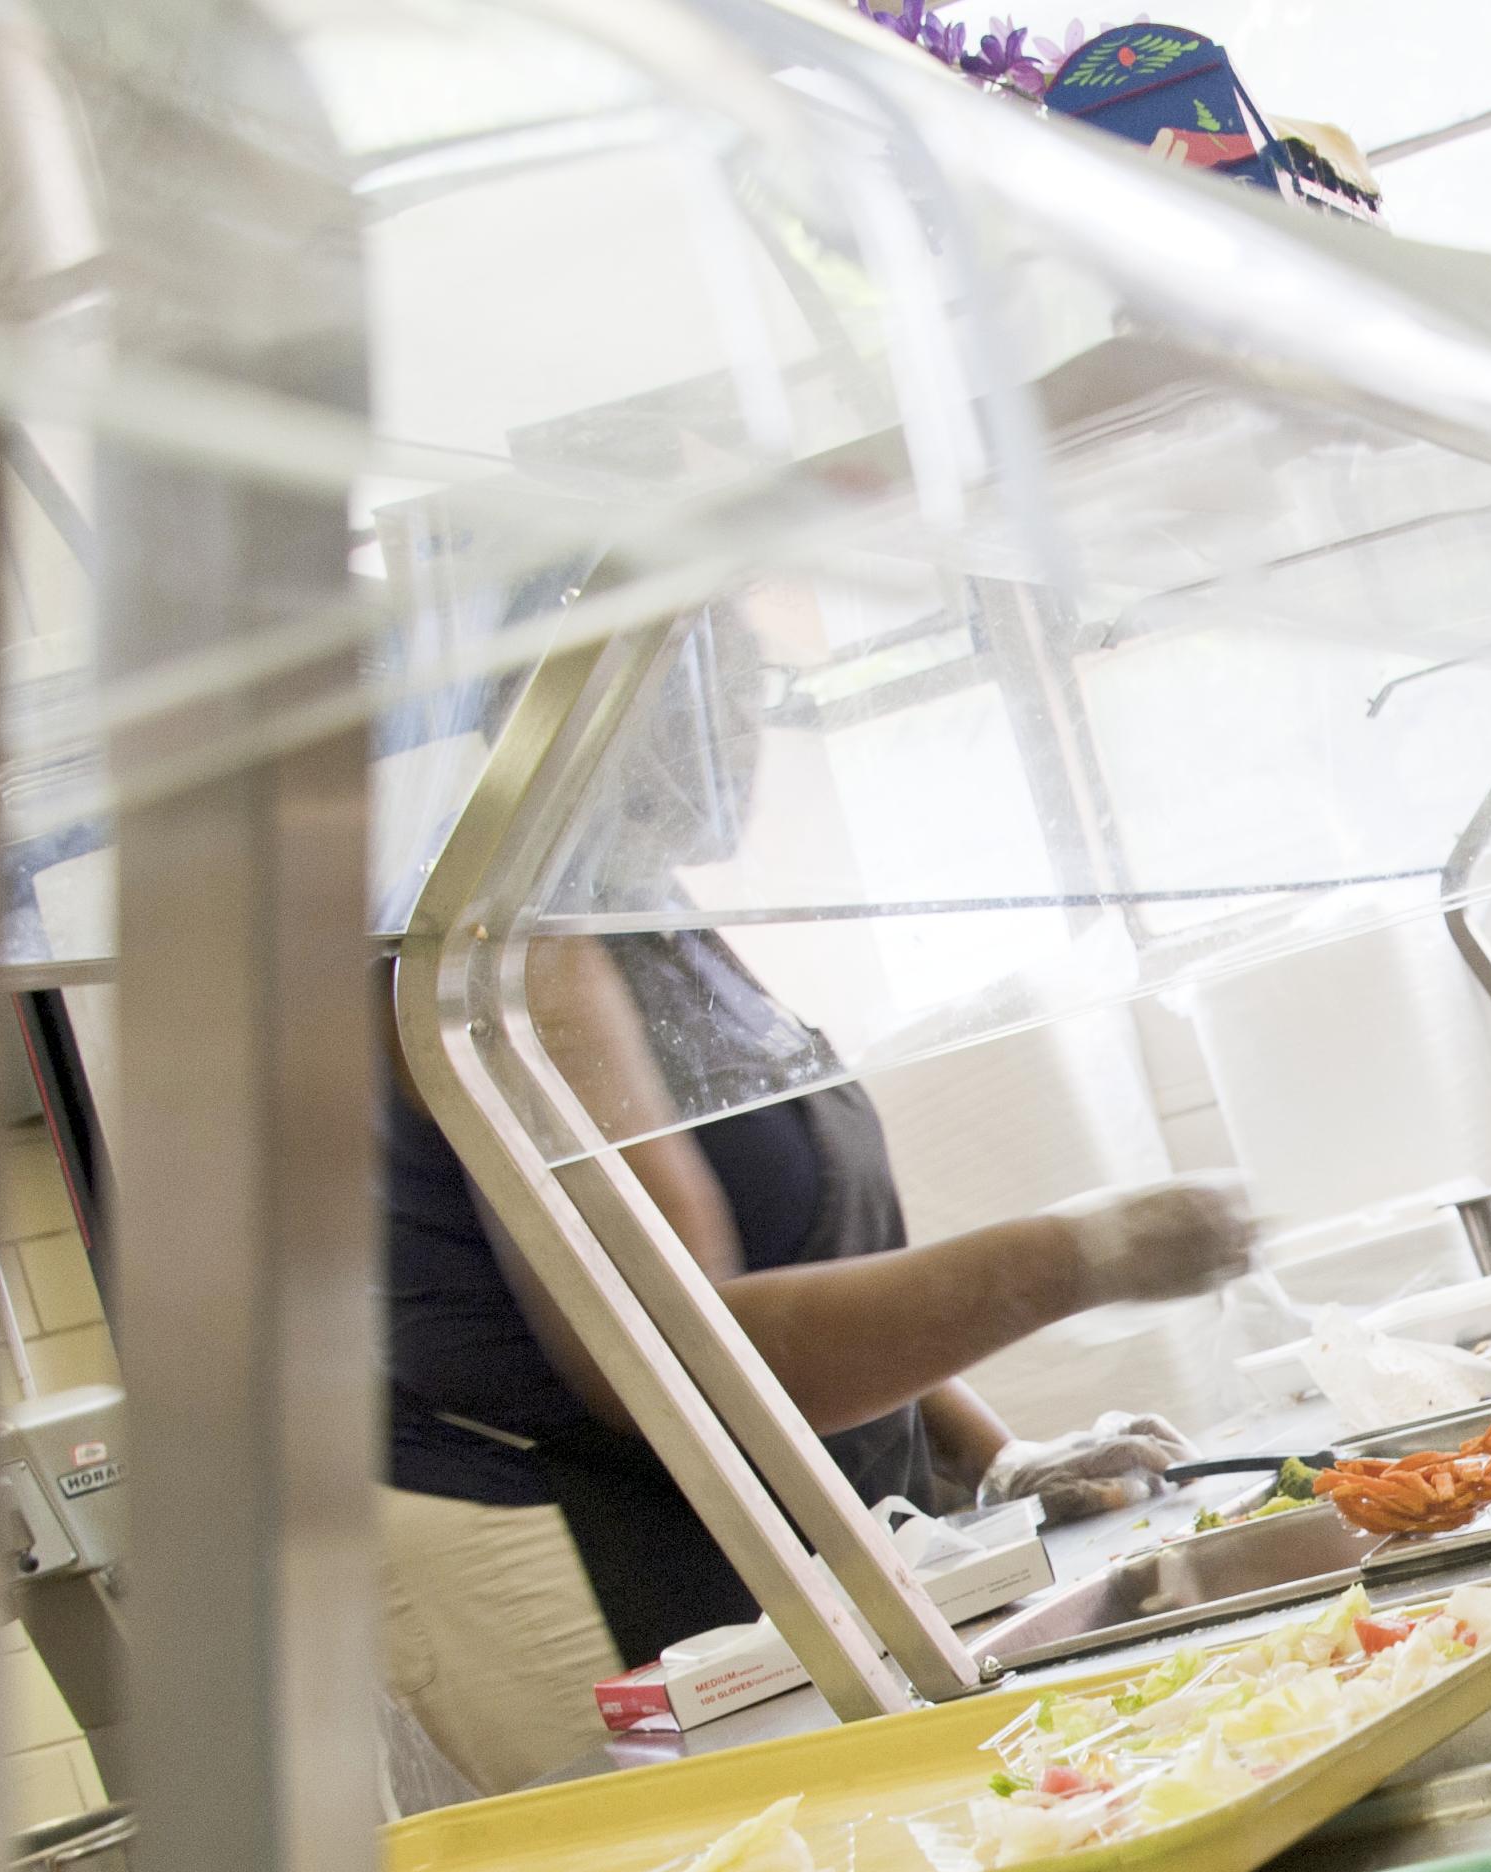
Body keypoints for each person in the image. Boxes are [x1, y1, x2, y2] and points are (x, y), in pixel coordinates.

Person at [382, 610, 1256, 1794]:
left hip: (761, 1499)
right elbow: (689, 1353)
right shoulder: (514, 956)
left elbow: (814, 1247)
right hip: (595, 1533)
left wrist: (996, 1459)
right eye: (723, 687)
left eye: (759, 685)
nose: (749, 724)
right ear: (599, 703)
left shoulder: (647, 913)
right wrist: (1075, 1257)